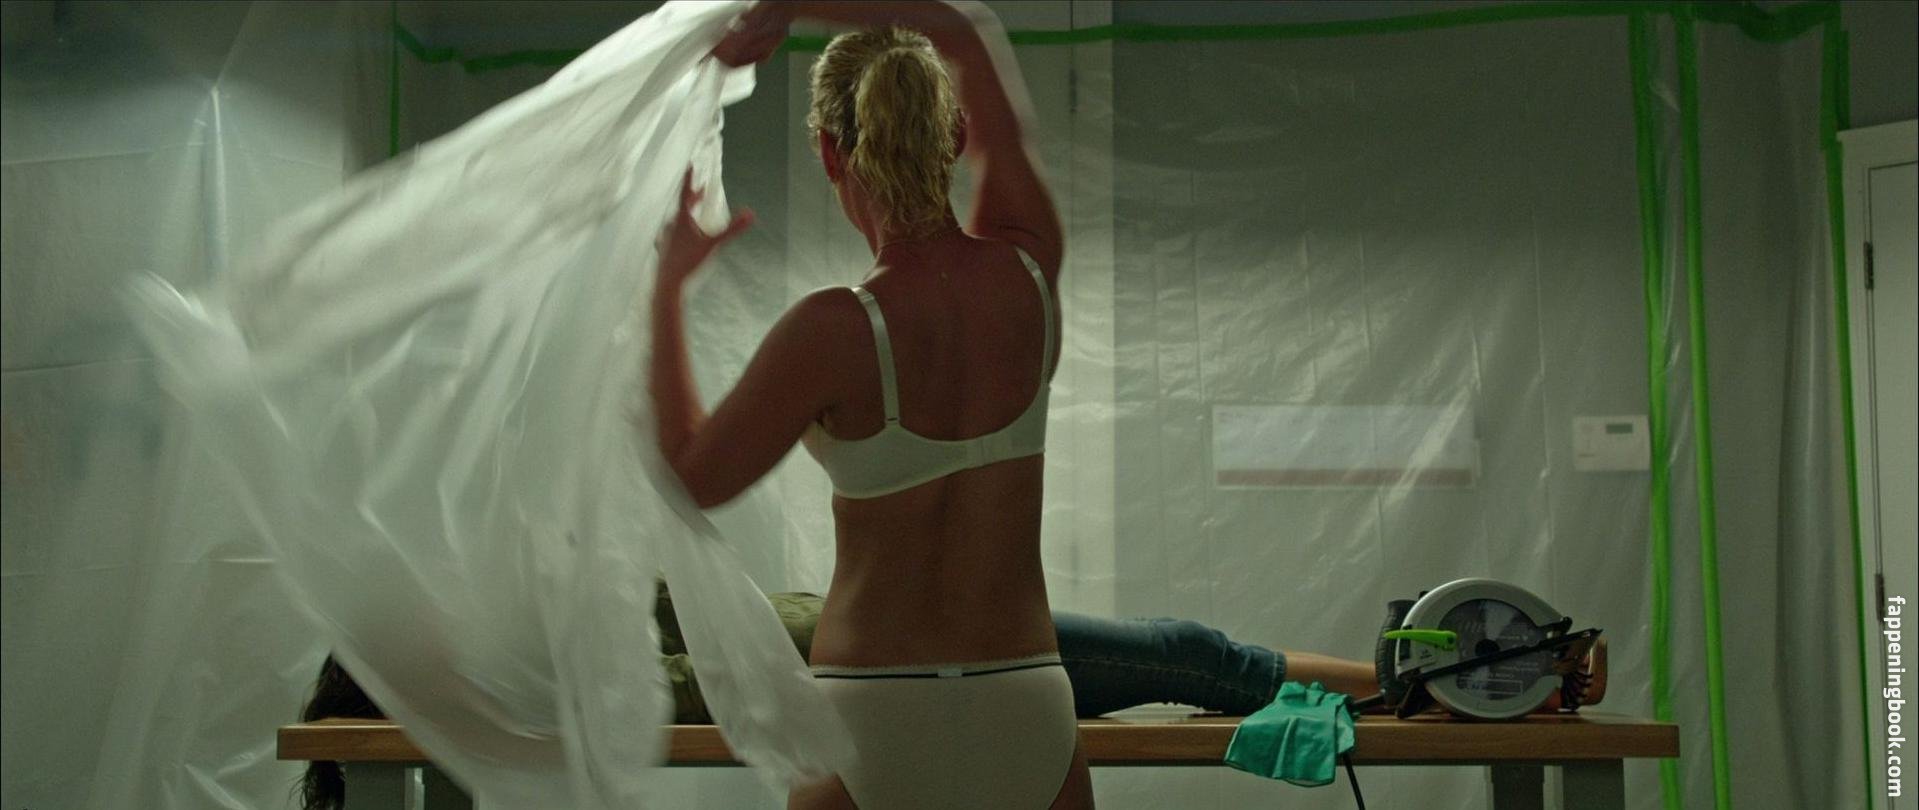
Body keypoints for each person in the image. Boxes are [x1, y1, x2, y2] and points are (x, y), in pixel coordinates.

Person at [662, 2, 1091, 806]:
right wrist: (791, 6)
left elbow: (691, 476)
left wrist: (663, 288)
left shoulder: (830, 331)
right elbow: (966, 28)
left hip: (872, 709)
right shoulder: (1028, 272)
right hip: (1025, 700)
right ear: (955, 135)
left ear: (830, 152)